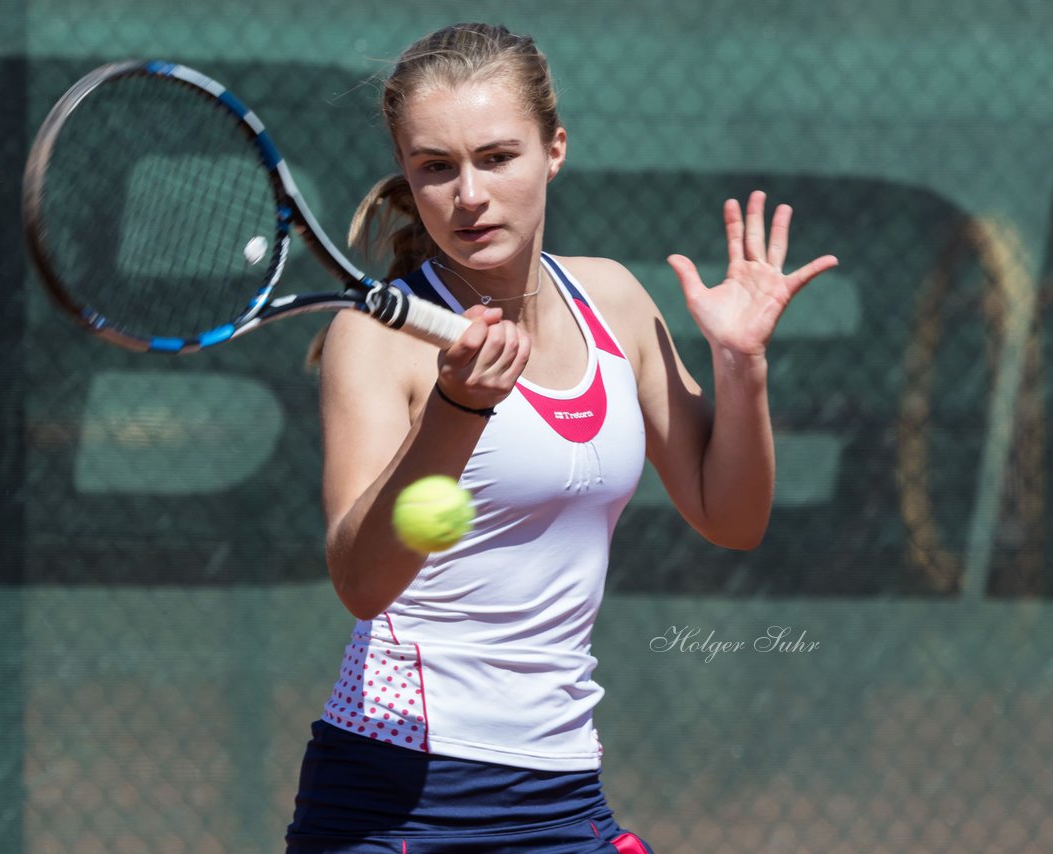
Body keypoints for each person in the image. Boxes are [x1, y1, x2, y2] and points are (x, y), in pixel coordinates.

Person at [286, 21, 837, 853]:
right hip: (395, 792)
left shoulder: (613, 300)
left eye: (497, 157)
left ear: (555, 149)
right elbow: (362, 583)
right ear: (408, 173)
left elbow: (732, 516)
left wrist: (740, 362)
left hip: (562, 788)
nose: (468, 194)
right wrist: (457, 411)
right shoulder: (375, 340)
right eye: (436, 167)